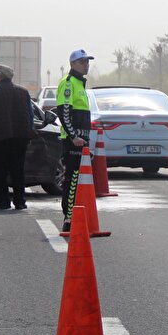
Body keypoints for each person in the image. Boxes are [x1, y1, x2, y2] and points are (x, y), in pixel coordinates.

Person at [0, 63, 35, 210]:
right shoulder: (23, 92)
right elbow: (30, 115)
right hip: (20, 138)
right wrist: (29, 132)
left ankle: (3, 201)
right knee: (18, 170)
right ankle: (20, 201)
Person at [57, 48, 94, 232]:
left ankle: (79, 216)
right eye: (82, 62)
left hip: (82, 141)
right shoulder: (69, 83)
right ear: (72, 64)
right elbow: (64, 113)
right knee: (71, 180)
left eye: (87, 62)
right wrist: (74, 137)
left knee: (80, 181)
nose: (86, 65)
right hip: (73, 142)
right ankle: (68, 218)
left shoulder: (80, 84)